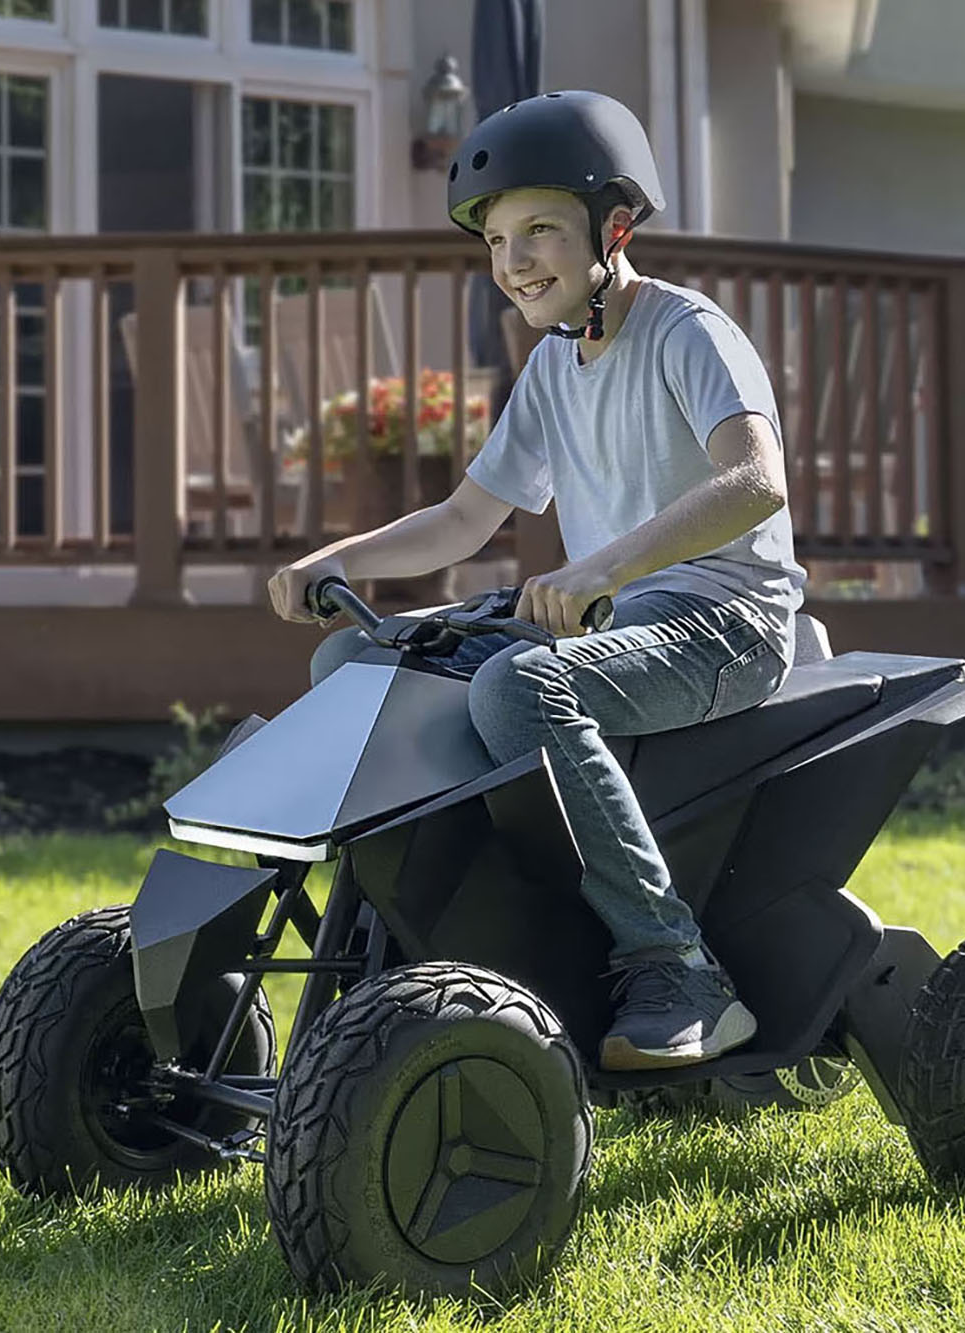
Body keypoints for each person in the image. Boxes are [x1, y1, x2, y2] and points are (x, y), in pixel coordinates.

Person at [265, 90, 805, 1072]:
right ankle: (396, 946)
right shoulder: (555, 366)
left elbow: (757, 481)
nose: (514, 263)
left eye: (540, 231)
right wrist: (340, 560)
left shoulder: (686, 332)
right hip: (611, 616)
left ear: (614, 229)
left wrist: (602, 562)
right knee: (355, 656)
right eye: (496, 241)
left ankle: (678, 968)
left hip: (727, 623)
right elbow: (465, 518)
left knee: (518, 685)